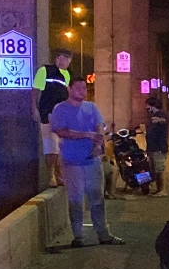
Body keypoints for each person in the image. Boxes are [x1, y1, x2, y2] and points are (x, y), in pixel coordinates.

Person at [51, 77, 124, 248]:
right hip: (72, 162)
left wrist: (98, 144)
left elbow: (100, 126)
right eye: (78, 88)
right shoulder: (60, 109)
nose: (82, 92)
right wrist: (87, 135)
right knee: (75, 200)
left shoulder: (91, 107)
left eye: (84, 88)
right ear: (69, 89)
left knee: (97, 199)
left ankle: (104, 234)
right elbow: (61, 131)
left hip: (92, 161)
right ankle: (78, 236)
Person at [32, 49, 73, 187]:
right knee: (51, 145)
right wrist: (35, 108)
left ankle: (59, 174)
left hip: (62, 116)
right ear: (59, 58)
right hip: (47, 113)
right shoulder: (45, 71)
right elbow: (35, 90)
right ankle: (51, 176)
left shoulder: (66, 75)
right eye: (67, 59)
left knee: (60, 146)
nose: (68, 63)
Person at [145, 97, 169, 196]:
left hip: (159, 148)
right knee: (155, 170)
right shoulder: (153, 116)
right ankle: (158, 190)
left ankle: (163, 190)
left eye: (148, 105)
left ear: (153, 106)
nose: (147, 107)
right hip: (152, 147)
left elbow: (164, 121)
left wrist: (159, 120)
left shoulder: (160, 115)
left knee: (160, 170)